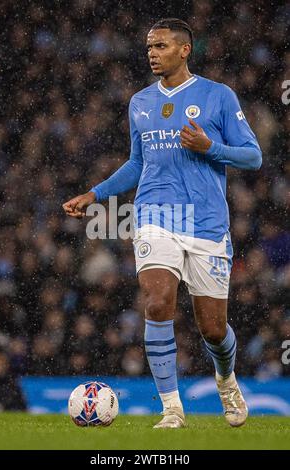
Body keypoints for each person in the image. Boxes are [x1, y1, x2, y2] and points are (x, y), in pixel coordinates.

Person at [63, 18, 262, 428]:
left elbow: (253, 157)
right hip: (156, 214)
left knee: (212, 328)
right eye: (149, 47)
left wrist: (211, 147)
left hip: (206, 222)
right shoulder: (139, 102)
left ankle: (226, 380)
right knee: (156, 304)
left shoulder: (218, 96)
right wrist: (95, 194)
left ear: (184, 49)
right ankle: (172, 409)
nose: (152, 53)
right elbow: (138, 163)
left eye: (160, 46)